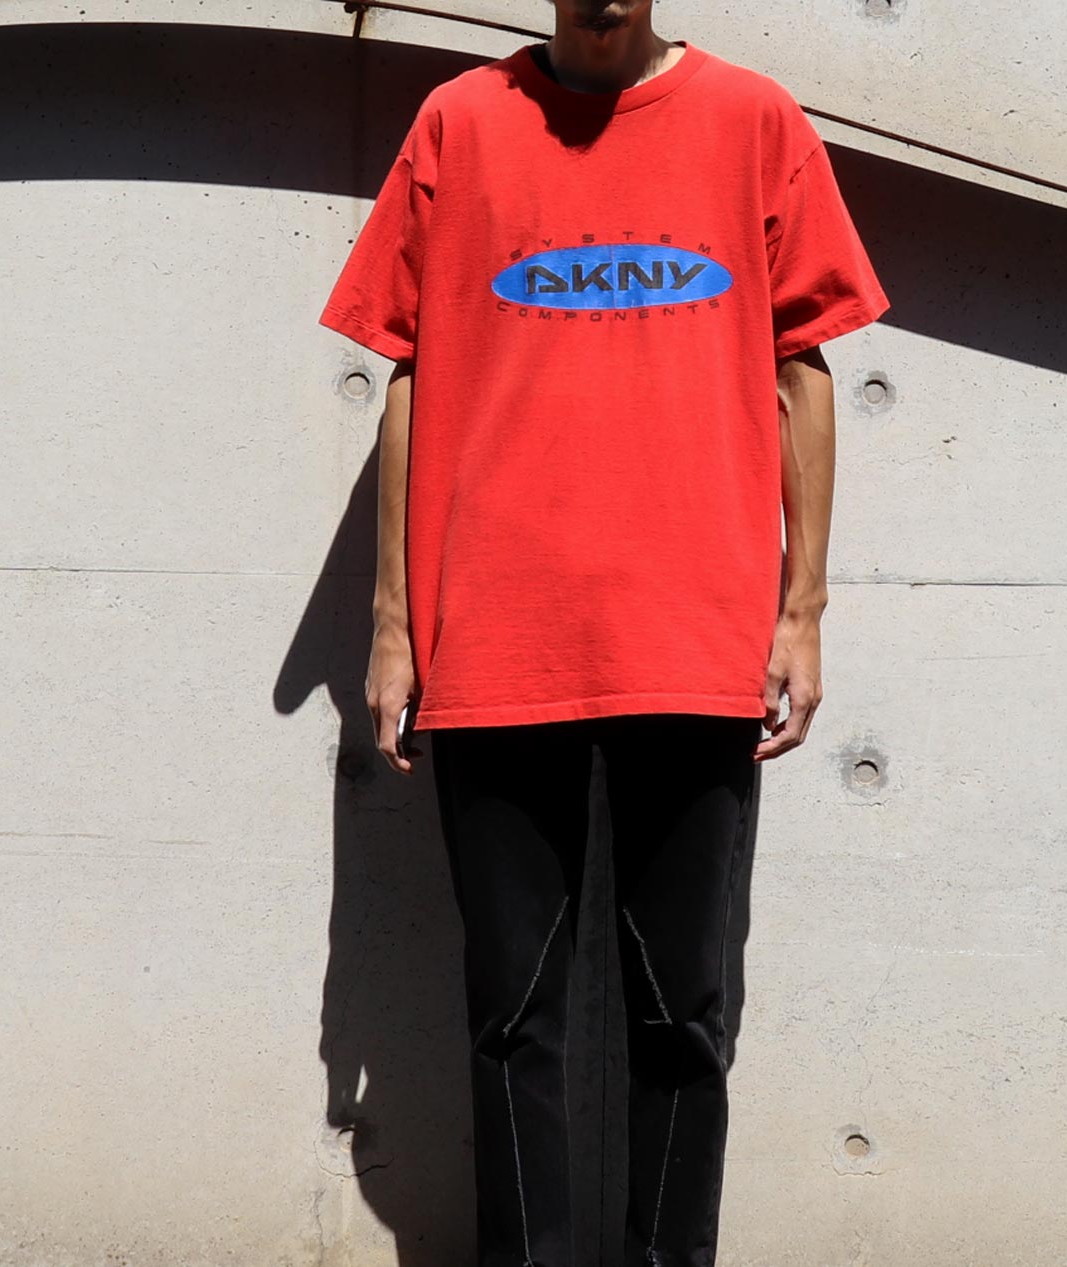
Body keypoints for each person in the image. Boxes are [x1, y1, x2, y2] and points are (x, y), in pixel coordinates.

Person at [318, 2, 889, 1263]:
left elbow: (802, 368)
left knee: (684, 1019)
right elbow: (406, 368)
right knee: (512, 1017)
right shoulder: (459, 125)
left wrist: (802, 609)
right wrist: (394, 621)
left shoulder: (752, 122)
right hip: (496, 635)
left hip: (693, 639)